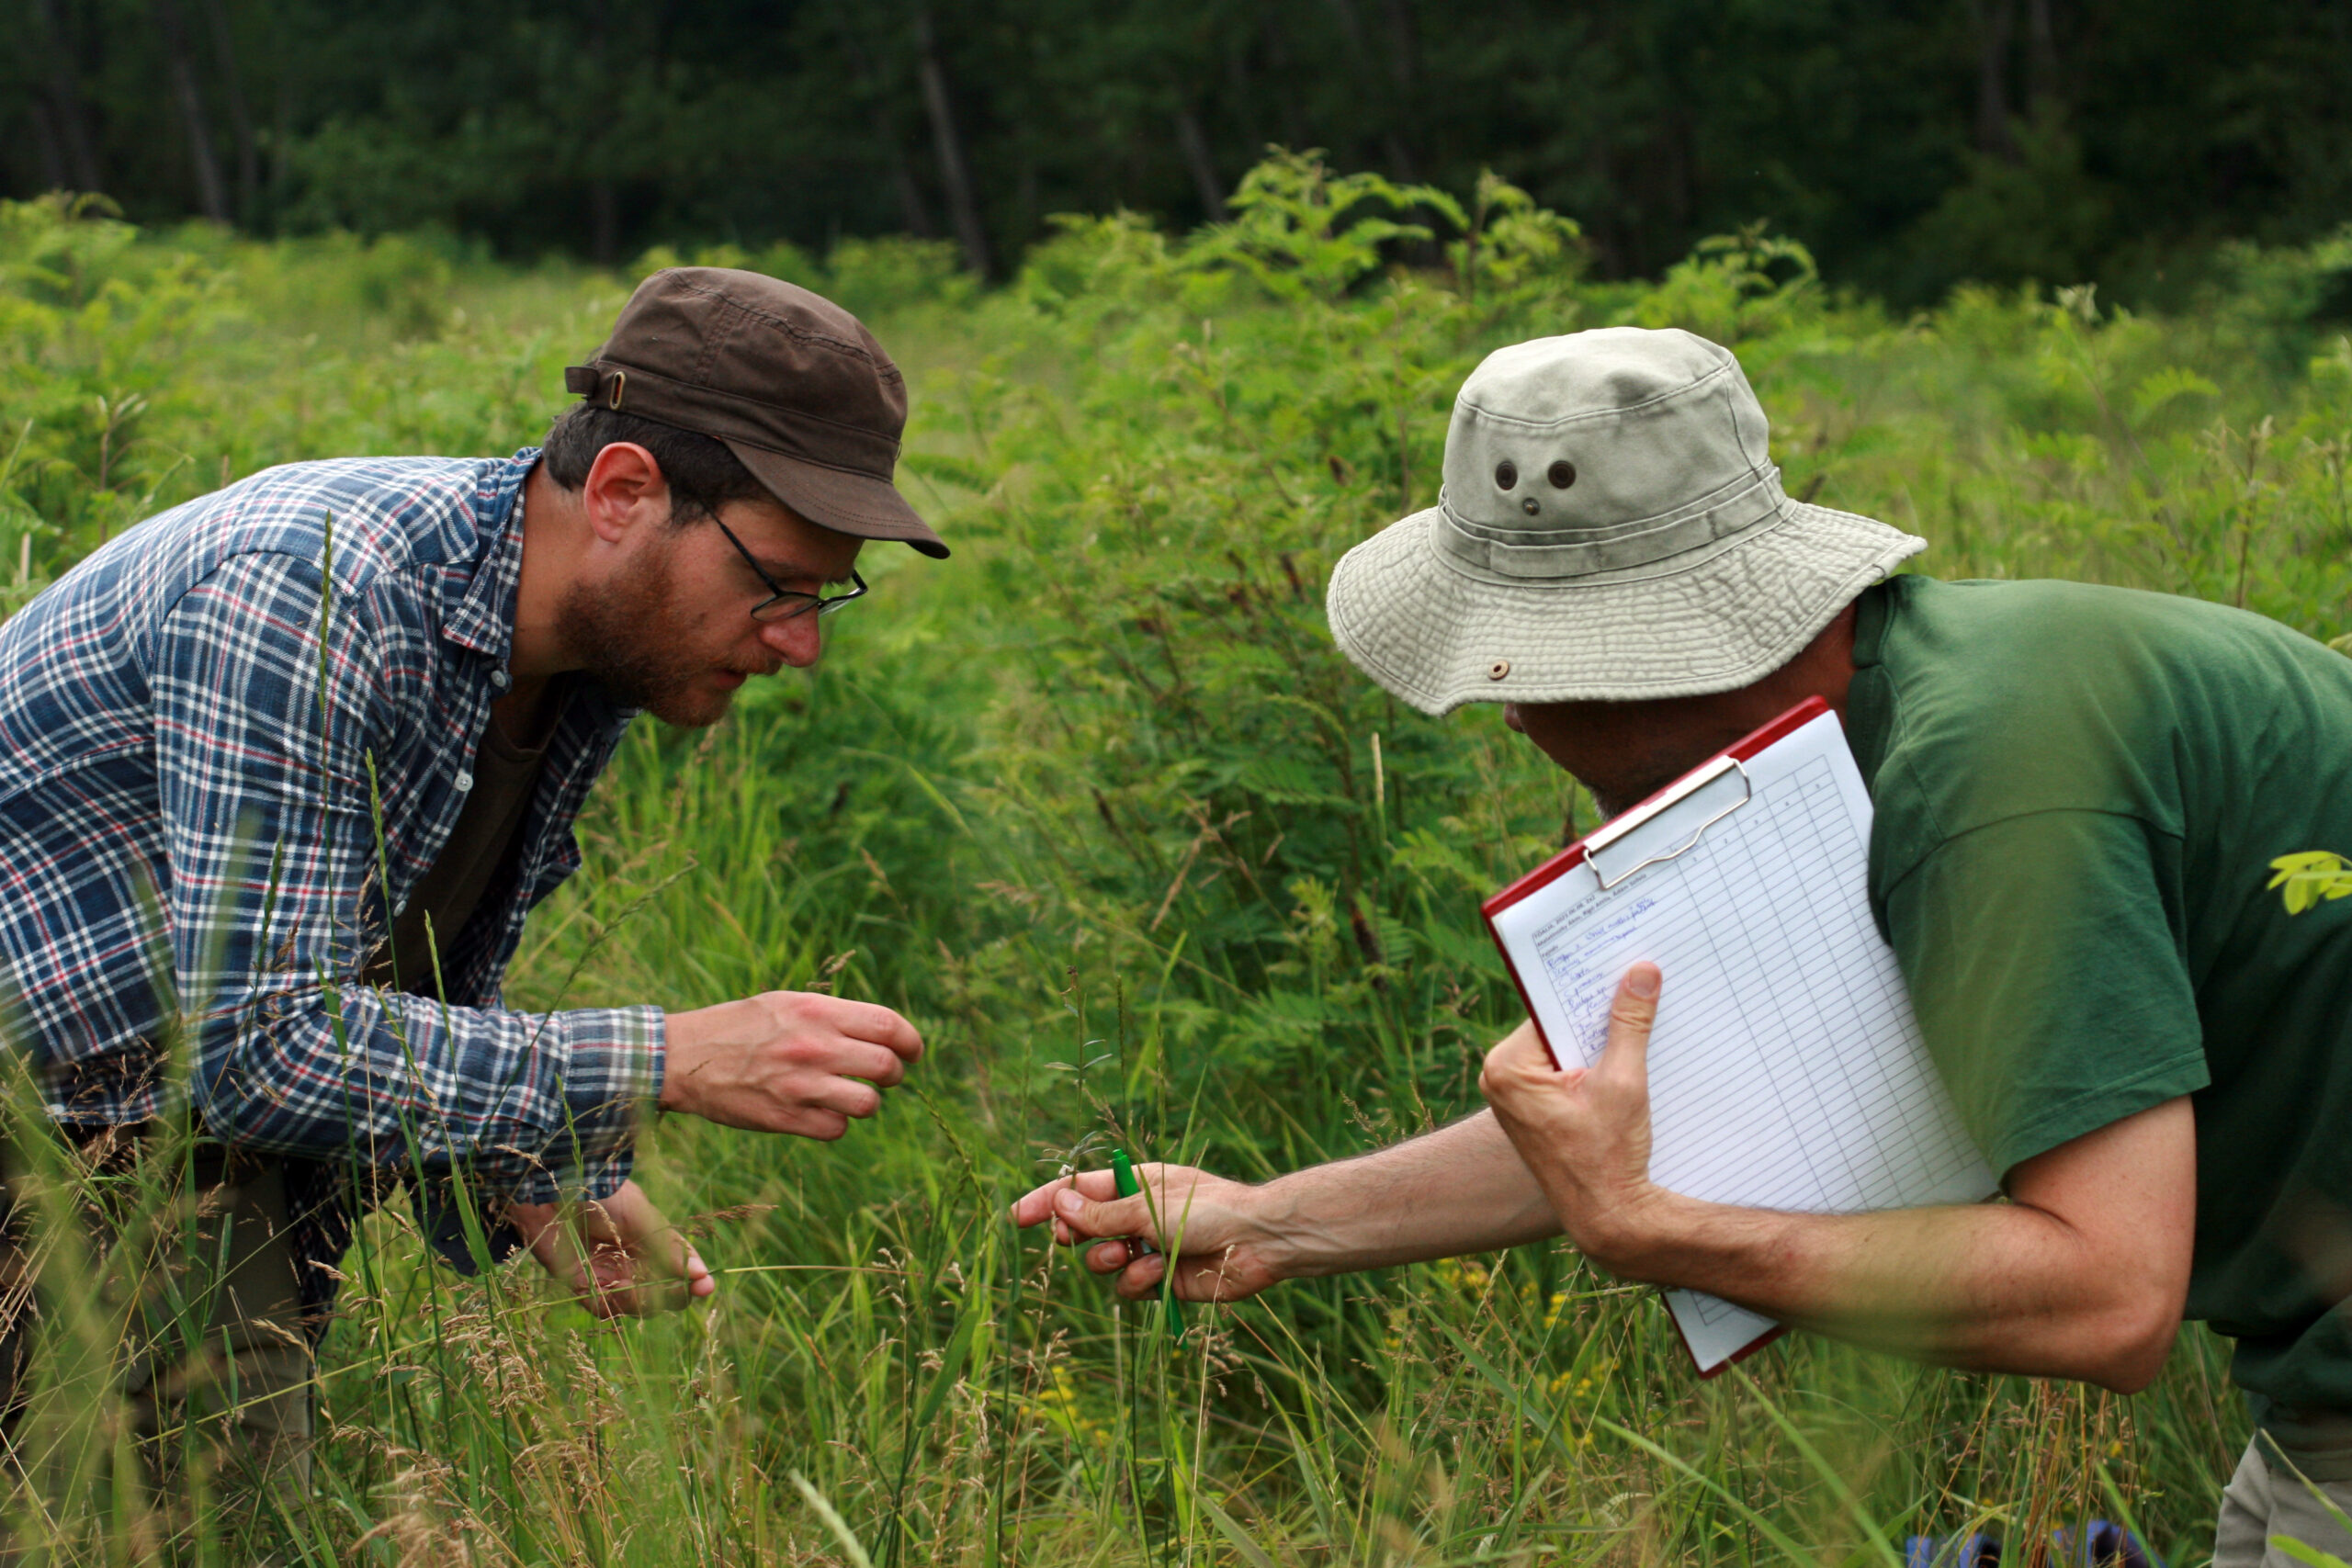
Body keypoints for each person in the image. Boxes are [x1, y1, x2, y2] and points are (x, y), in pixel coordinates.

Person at [1016, 325, 2352, 1566]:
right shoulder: (1856, 734)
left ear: (1633, 659)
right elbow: (1632, 1124)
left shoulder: (1984, 791)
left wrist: (1659, 1236)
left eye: (1520, 675)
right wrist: (1276, 1226)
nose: (1516, 722)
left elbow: (2106, 1295)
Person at [0, 266, 933, 1490]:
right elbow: (258, 1043)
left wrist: (535, 1173)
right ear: (622, 491)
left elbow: (369, 966)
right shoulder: (317, 591)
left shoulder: (567, 657)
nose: (802, 642)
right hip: (71, 1131)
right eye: (777, 584)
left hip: (158, 1135)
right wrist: (663, 1060)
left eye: (830, 594)